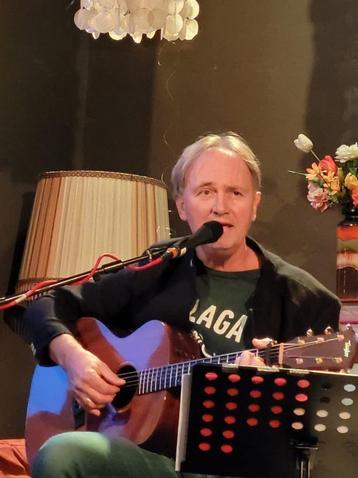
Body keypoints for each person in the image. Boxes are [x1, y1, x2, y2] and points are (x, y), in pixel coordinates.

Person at [7, 132, 340, 478]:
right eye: (205, 191)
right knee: (62, 452)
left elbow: (311, 436)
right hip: (143, 459)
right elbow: (46, 304)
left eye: (235, 193)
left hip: (231, 467)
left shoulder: (302, 300)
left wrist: (265, 389)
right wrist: (73, 359)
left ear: (254, 204)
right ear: (182, 205)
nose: (220, 206)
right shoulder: (159, 266)